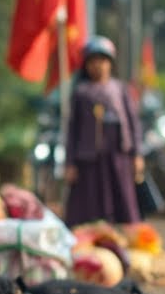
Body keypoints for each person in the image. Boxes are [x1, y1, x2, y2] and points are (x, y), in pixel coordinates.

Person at [62, 36, 144, 227]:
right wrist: (70, 162)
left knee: (123, 200)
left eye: (103, 60)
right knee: (89, 206)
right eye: (93, 61)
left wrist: (137, 154)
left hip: (118, 157)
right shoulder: (81, 92)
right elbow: (72, 130)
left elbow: (133, 123)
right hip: (89, 159)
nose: (98, 65)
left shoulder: (120, 89)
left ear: (110, 64)